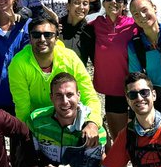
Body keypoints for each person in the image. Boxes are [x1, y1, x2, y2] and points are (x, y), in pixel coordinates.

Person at [8, 10, 101, 145]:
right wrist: (28, 139)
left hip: (69, 118)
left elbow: (89, 96)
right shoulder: (18, 63)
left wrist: (92, 123)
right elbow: (22, 108)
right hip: (38, 123)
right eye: (36, 35)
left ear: (57, 37)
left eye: (48, 35)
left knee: (100, 140)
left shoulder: (70, 58)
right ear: (30, 38)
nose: (42, 39)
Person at [90, 0, 138, 146]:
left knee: (139, 139)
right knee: (119, 140)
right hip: (112, 92)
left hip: (135, 90)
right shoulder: (97, 24)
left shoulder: (133, 25)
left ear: (125, 4)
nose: (114, 1)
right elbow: (74, 27)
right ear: (103, 3)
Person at [59, 0, 96, 65]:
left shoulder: (89, 33)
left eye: (85, 4)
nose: (81, 7)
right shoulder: (56, 28)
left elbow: (97, 61)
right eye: (76, 2)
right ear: (68, 6)